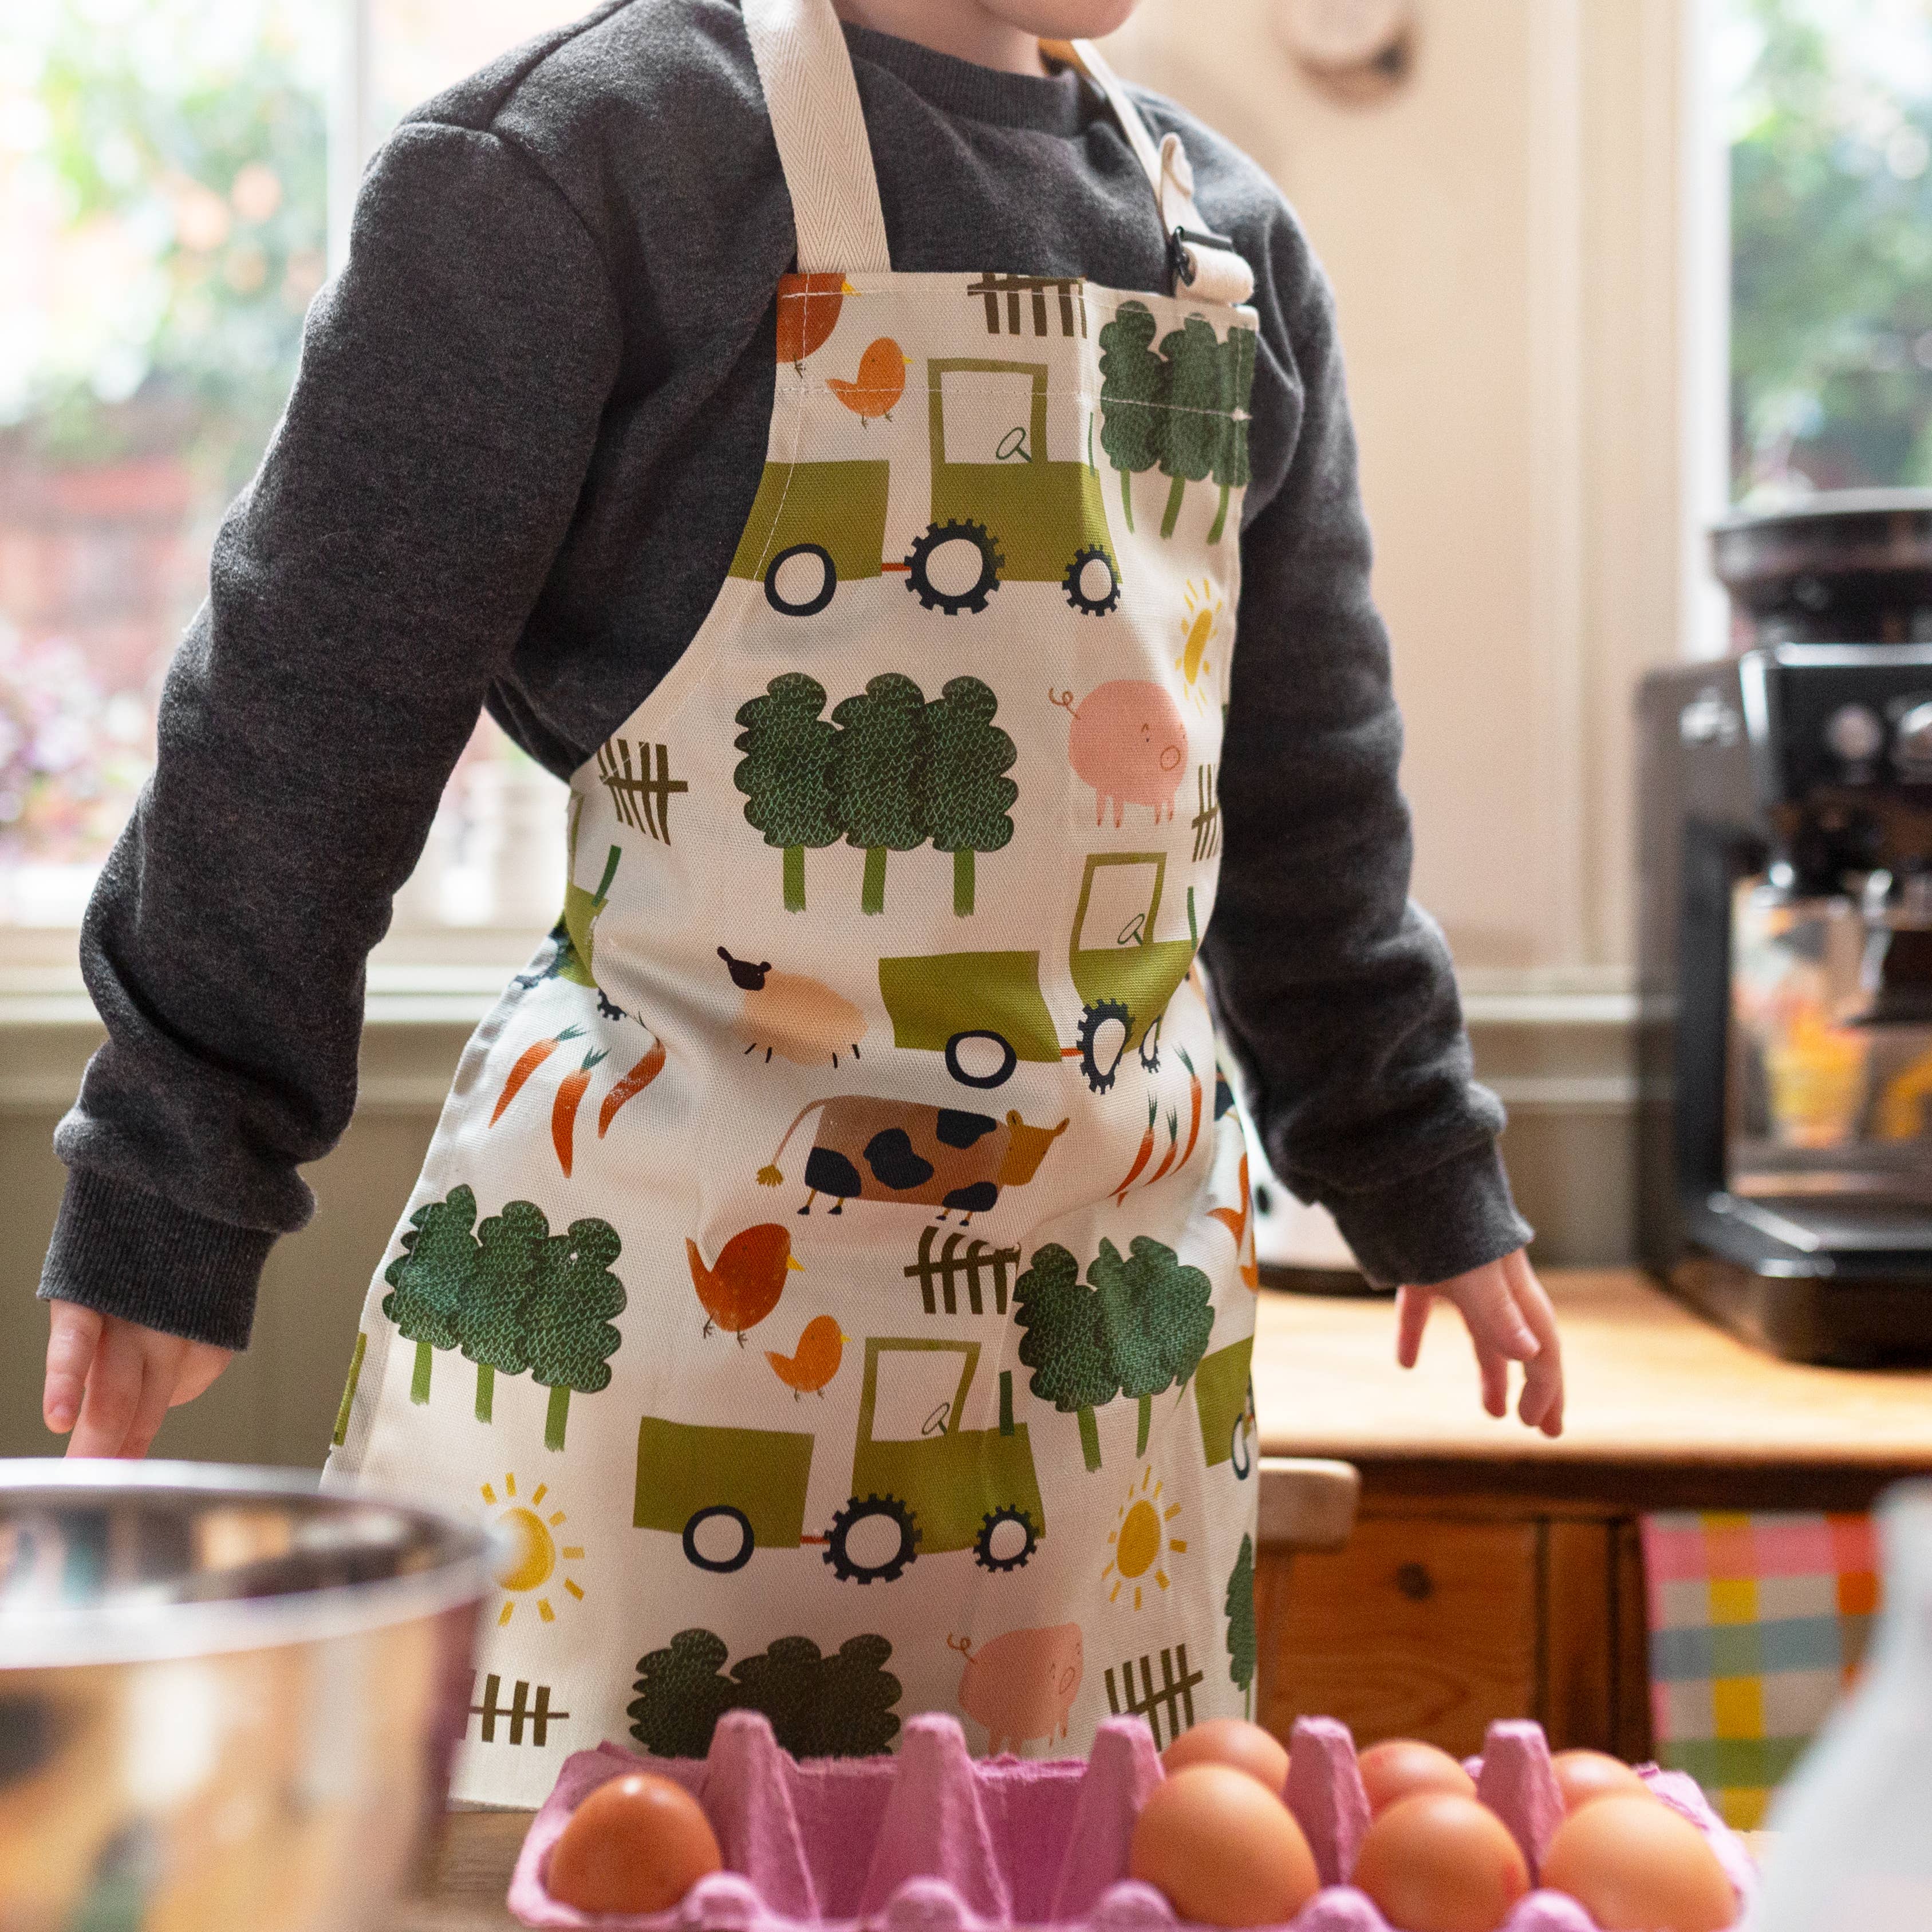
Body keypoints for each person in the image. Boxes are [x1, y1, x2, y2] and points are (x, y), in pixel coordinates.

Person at [38, 0, 1564, 1800]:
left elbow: (1309, 788)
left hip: (1097, 1363)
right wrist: (174, 1176)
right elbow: (302, 721)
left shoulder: (1225, 258)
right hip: (661, 1337)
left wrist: (1413, 1164)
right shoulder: (575, 173)